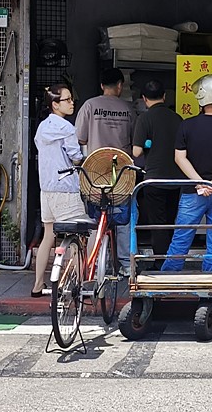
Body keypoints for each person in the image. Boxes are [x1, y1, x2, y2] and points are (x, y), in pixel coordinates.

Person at [161, 74, 212, 273]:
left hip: (192, 191)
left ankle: (167, 281)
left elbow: (179, 158)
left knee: (181, 238)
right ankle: (211, 285)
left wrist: (200, 182)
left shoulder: (187, 125)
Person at [75, 67, 135, 271]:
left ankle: (95, 263)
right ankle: (126, 264)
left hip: (95, 170)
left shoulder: (90, 106)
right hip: (122, 173)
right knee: (124, 218)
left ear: (101, 85)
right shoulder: (128, 109)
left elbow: (80, 138)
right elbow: (135, 141)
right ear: (120, 86)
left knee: (95, 218)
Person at [31, 84, 86, 297]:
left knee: (48, 235)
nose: (72, 103)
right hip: (66, 188)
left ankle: (37, 285)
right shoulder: (66, 128)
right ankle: (78, 286)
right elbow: (75, 157)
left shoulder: (42, 128)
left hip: (47, 189)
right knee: (78, 236)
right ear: (55, 104)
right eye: (67, 100)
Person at [131, 79, 183, 267]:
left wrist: (147, 146)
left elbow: (136, 152)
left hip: (153, 179)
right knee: (170, 222)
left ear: (144, 99)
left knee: (157, 224)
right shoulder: (176, 118)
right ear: (164, 96)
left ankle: (161, 262)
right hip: (177, 179)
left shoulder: (144, 119)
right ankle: (170, 260)